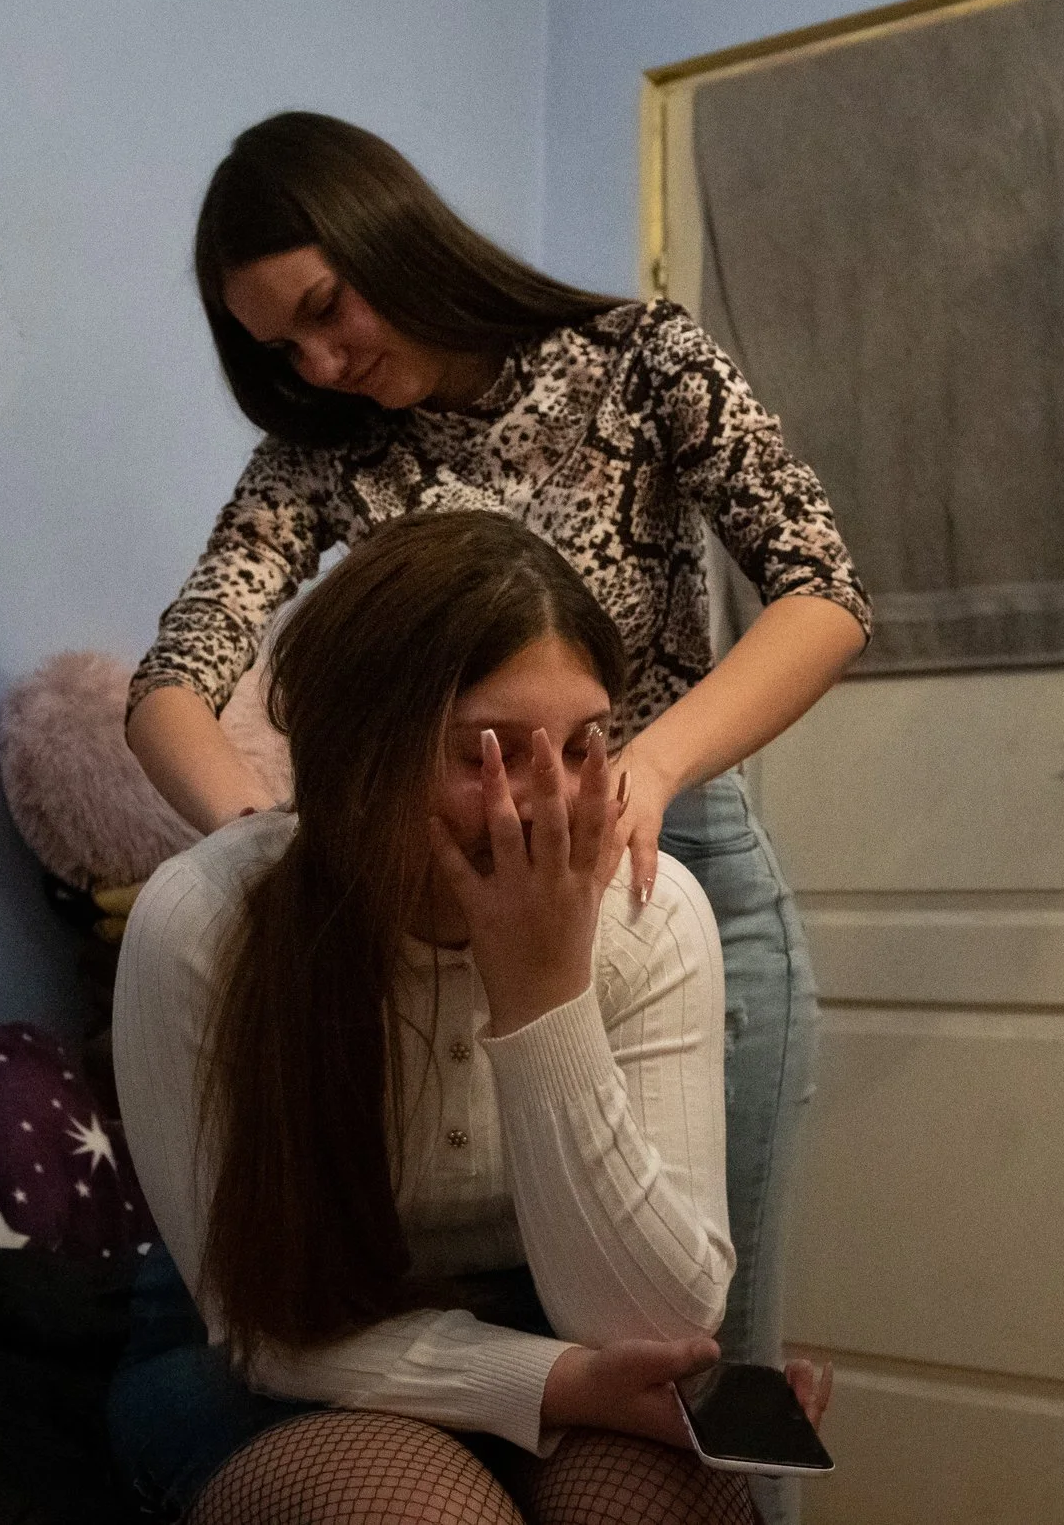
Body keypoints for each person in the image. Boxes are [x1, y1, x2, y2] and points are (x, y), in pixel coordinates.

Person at [126, 113, 872, 1407]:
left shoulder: (639, 359)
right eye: (280, 348)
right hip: (435, 890)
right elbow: (170, 682)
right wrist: (268, 839)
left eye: (323, 307)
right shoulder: (317, 448)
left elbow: (824, 587)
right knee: (546, 1360)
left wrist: (638, 770)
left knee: (711, 1364)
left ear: (389, 235)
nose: (320, 359)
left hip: (667, 870)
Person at [111, 512, 829, 1523]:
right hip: (267, 1360)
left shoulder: (649, 909)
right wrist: (555, 1385)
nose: (543, 800)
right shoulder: (204, 923)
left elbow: (655, 1319)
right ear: (356, 751)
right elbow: (268, 1329)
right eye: (484, 750)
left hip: (560, 1322)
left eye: (583, 743)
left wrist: (546, 999)